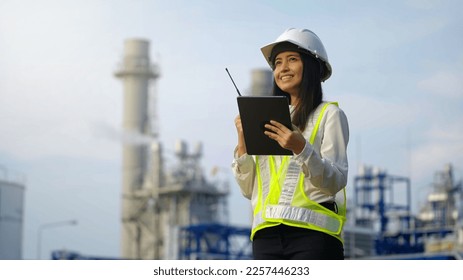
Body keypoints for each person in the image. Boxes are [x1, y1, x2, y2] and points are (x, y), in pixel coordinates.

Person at [232, 28, 349, 260]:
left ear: (312, 66)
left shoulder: (329, 114)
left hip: (313, 238)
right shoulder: (268, 118)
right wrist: (242, 143)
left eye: (292, 60)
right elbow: (248, 190)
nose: (282, 68)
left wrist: (301, 148)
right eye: (277, 63)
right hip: (265, 239)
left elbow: (335, 181)